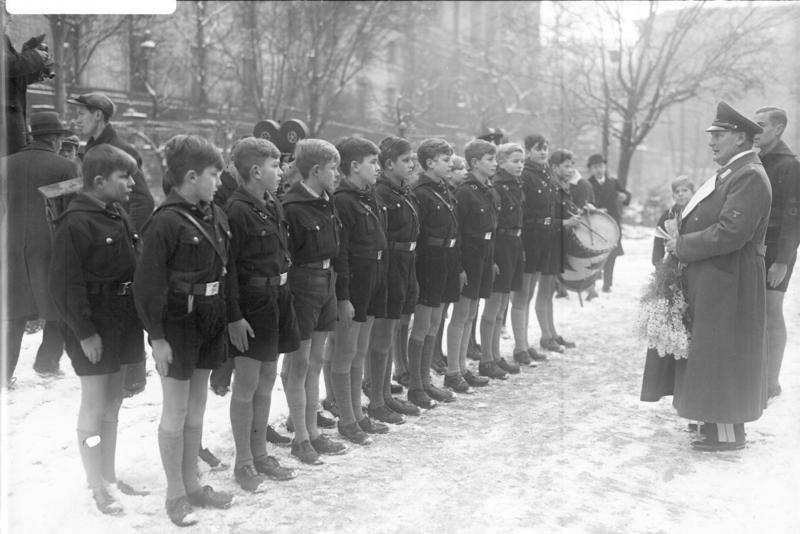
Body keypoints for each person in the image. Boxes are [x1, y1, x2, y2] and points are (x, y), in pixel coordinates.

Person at [133, 134, 233, 526]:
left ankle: (192, 483)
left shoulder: (214, 215)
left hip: (208, 319)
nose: (219, 182)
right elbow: (146, 288)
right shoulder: (165, 222)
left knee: (197, 409)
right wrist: (157, 340)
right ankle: (175, 494)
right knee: (175, 412)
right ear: (191, 177)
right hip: (176, 325)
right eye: (214, 174)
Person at [665, 101, 772, 452]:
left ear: (741, 138)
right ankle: (712, 423)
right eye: (712, 135)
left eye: (720, 135)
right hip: (721, 276)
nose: (712, 141)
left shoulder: (749, 175)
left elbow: (730, 232)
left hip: (732, 279)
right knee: (714, 351)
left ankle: (726, 432)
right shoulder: (733, 171)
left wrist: (683, 246)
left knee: (727, 351)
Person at [50, 144, 148, 515]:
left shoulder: (116, 213)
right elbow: (63, 287)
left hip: (122, 319)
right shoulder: (75, 223)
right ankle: (96, 484)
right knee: (93, 407)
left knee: (113, 403)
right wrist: (85, 333)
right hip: (93, 326)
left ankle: (108, 475)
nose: (131, 183)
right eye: (124, 177)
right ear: (98, 181)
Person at [224, 138, 300, 492]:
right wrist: (234, 316)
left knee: (268, 376)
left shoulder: (272, 204)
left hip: (277, 298)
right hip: (252, 304)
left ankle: (259, 452)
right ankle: (243, 461)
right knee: (247, 384)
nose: (282, 171)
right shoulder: (236, 210)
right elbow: (229, 270)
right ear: (256, 171)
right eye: (275, 165)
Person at [68, 92, 155, 397]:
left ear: (99, 117)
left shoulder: (118, 150)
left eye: (82, 113)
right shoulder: (93, 148)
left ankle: (134, 378)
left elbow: (143, 200)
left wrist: (125, 233)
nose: (76, 118)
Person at [281, 139, 346, 464]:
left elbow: (337, 248)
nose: (337, 174)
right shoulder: (291, 207)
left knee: (316, 363)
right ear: (316, 170)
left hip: (326, 282)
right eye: (333, 168)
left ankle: (314, 432)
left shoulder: (327, 202)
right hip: (302, 284)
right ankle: (301, 438)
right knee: (300, 364)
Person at [3, 112, 78, 385]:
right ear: (55, 139)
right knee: (58, 304)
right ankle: (47, 361)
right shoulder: (64, 167)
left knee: (14, 312)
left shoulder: (4, 165)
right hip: (50, 246)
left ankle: (3, 373)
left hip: (9, 246)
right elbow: (73, 211)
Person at [330, 136, 391, 443]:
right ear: (353, 166)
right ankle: (346, 419)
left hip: (373, 278)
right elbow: (341, 254)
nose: (377, 168)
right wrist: (343, 296)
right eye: (372, 163)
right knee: (346, 353)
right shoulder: (342, 201)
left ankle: (358, 413)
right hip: (354, 282)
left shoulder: (368, 196)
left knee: (359, 352)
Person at [369, 136, 427, 423]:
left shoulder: (404, 191)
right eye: (406, 160)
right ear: (388, 163)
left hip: (407, 264)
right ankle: (378, 400)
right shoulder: (381, 193)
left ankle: (385, 395)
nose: (412, 164)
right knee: (381, 336)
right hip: (390, 266)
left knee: (391, 332)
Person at [410, 139, 462, 406]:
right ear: (429, 162)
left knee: (434, 322)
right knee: (422, 324)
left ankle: (426, 380)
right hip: (427, 261)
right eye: (445, 158)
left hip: (445, 259)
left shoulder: (444, 188)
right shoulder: (419, 192)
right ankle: (416, 386)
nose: (450, 163)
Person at [754, 106, 800, 399]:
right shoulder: (756, 159)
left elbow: (794, 216)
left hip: (777, 248)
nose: (755, 130)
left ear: (778, 129)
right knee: (755, 311)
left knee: (772, 311)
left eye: (760, 125)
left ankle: (771, 382)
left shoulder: (790, 165)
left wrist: (782, 260)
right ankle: (756, 375)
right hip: (754, 245)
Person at [445, 139, 500, 385]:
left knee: (471, 313)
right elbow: (457, 233)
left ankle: (462, 367)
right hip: (468, 254)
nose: (494, 164)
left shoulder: (488, 189)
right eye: (490, 159)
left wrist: (492, 260)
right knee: (461, 313)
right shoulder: (465, 192)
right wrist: (459, 267)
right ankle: (452, 372)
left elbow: (492, 228)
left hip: (483, 254)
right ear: (475, 162)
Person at [479, 143, 525, 377]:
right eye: (515, 161)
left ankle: (496, 355)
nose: (520, 165)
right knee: (493, 306)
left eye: (522, 161)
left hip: (514, 245)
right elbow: (494, 226)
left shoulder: (516, 185)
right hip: (500, 246)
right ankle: (486, 358)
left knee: (502, 307)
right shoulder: (497, 186)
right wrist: (494, 258)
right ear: (502, 161)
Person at [538, 149, 581, 350]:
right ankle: (546, 335)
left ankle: (552, 333)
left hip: (557, 242)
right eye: (566, 165)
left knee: (549, 292)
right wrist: (566, 222)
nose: (570, 169)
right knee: (544, 291)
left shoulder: (562, 186)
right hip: (547, 241)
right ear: (554, 167)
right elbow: (546, 218)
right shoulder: (550, 187)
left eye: (571, 165)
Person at [587, 153, 631, 293]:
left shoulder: (613, 182)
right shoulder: (588, 184)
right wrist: (596, 210)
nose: (599, 170)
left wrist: (624, 197)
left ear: (605, 167)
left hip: (613, 223)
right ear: (590, 170)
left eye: (601, 166)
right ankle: (592, 283)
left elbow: (626, 195)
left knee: (612, 253)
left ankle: (607, 284)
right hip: (596, 225)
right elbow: (584, 203)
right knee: (595, 253)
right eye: (595, 167)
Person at [3, 34, 54, 156]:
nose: (10, 18)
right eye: (7, 14)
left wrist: (38, 68)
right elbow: (8, 65)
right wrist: (35, 56)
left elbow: (13, 78)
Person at [651, 176, 694, 266]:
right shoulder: (669, 214)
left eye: (684, 190)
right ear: (673, 196)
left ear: (693, 193)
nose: (680, 194)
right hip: (674, 262)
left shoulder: (699, 211)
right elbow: (658, 241)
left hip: (695, 261)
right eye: (677, 192)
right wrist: (658, 264)